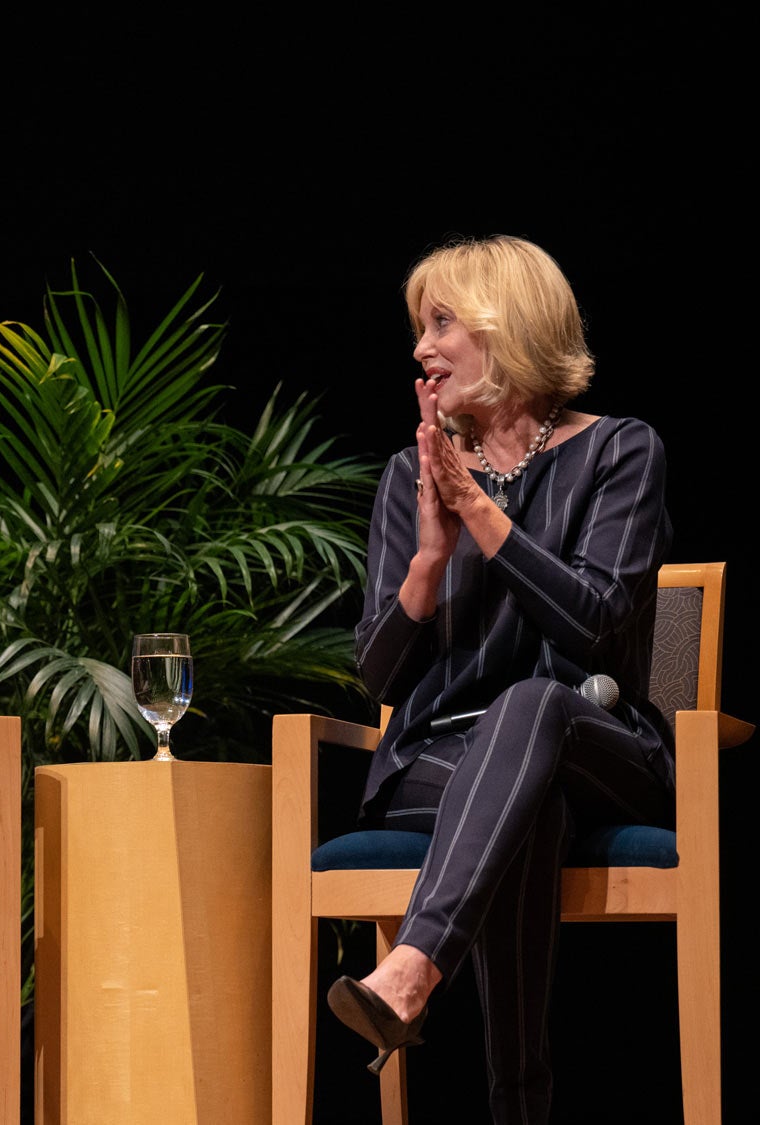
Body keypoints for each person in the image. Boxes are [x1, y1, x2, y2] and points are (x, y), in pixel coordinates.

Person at [329, 235, 671, 1122]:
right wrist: (429, 563)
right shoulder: (412, 474)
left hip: (600, 744)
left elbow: (598, 618)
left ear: (508, 327)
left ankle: (411, 966)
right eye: (418, 328)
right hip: (444, 760)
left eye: (442, 322)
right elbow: (377, 675)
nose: (420, 349)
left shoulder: (620, 452)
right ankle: (521, 1103)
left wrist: (480, 510)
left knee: (530, 712)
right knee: (523, 794)